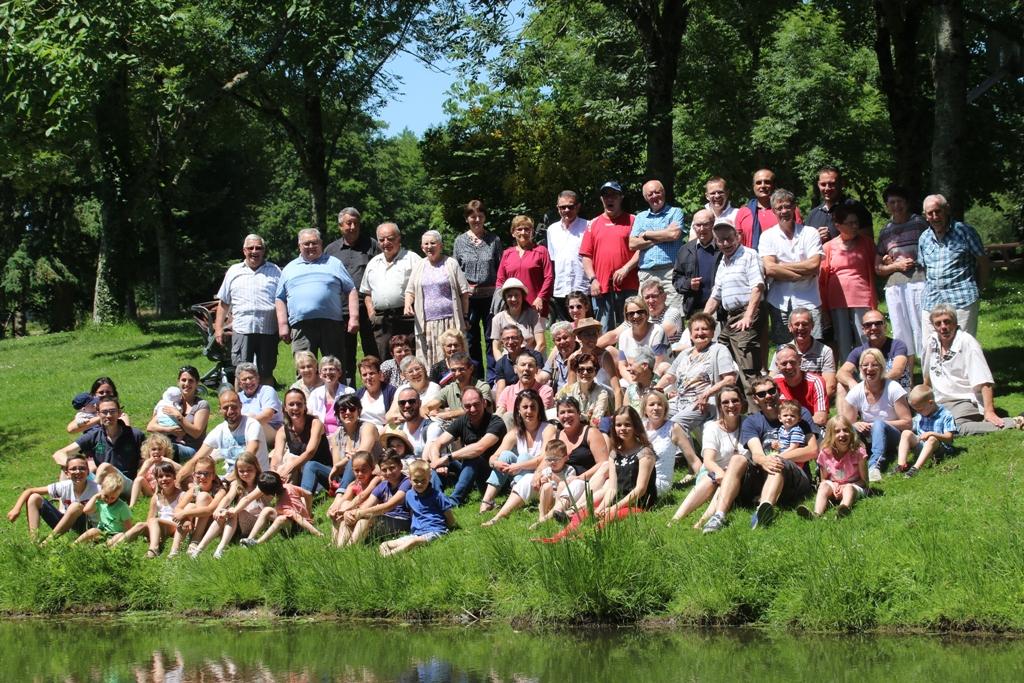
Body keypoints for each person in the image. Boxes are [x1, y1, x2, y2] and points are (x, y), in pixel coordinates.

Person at [700, 377, 818, 533]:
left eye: (771, 391)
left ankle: (762, 511)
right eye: (762, 394)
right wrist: (764, 460)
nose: (768, 396)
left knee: (776, 462)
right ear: (755, 399)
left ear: (778, 392)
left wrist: (778, 458)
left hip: (796, 480)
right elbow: (757, 454)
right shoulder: (752, 422)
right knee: (737, 459)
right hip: (763, 478)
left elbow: (812, 450)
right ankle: (719, 515)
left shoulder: (798, 412)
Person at [537, 407, 657, 542]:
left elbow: (640, 490)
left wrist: (614, 508)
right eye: (618, 425)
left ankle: (580, 538)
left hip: (638, 505)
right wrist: (600, 509)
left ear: (636, 426)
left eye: (627, 424)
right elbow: (612, 489)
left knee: (608, 518)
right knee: (583, 513)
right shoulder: (614, 454)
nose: (622, 428)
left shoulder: (645, 453)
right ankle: (557, 538)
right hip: (617, 501)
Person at [921, 304, 1018, 435]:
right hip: (939, 401)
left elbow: (985, 381)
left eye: (947, 322)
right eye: (938, 323)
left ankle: (1013, 422)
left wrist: (989, 411)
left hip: (965, 400)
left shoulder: (967, 343)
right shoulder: (932, 342)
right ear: (933, 326)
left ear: (955, 323)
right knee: (921, 426)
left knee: (951, 428)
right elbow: (927, 377)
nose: (943, 327)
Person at [656, 312, 739, 464]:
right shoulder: (686, 353)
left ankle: (694, 464)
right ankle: (660, 462)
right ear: (691, 334)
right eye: (696, 330)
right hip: (680, 400)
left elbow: (730, 379)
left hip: (704, 403)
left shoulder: (718, 349)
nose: (700, 333)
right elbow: (670, 376)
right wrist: (655, 389)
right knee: (655, 414)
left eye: (705, 329)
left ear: (713, 332)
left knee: (676, 424)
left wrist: (708, 393)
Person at [275, 227, 358, 366]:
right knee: (304, 368)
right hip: (301, 326)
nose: (311, 246)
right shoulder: (289, 268)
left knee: (335, 367)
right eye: (306, 244)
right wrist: (283, 325)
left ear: (321, 244)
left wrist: (354, 318)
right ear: (299, 246)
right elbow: (280, 298)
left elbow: (351, 290)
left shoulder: (334, 263)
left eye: (314, 243)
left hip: (331, 324)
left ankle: (338, 389)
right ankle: (305, 389)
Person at [668, 385, 746, 526]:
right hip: (713, 471)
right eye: (725, 402)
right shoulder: (712, 427)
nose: (731, 405)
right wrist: (719, 472)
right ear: (719, 406)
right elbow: (708, 460)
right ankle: (675, 520)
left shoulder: (748, 424)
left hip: (737, 475)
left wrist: (726, 475)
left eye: (735, 401)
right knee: (711, 479)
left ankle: (701, 522)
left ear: (742, 402)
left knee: (726, 480)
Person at [703, 222, 765, 389]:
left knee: (748, 368)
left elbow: (757, 287)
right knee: (721, 357)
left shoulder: (749, 255)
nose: (725, 244)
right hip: (731, 318)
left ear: (737, 237)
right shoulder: (723, 262)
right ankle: (737, 404)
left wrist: (748, 316)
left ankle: (758, 411)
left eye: (728, 239)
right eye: (720, 240)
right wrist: (702, 319)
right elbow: (715, 295)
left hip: (747, 313)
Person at [480, 390, 557, 524]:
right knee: (506, 455)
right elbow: (493, 457)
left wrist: (519, 465)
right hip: (520, 475)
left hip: (539, 477)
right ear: (518, 410)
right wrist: (496, 463)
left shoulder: (548, 428)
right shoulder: (515, 432)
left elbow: (545, 457)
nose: (529, 411)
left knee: (523, 457)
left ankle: (516, 501)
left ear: (539, 409)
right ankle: (486, 501)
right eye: (525, 407)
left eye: (533, 407)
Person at [214, 233, 281, 384]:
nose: (254, 251)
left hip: (268, 330)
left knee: (266, 371)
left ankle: (267, 404)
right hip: (242, 329)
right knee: (242, 372)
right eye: (250, 248)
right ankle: (240, 406)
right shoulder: (233, 271)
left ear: (264, 250)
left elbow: (283, 301)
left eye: (259, 248)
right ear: (244, 250)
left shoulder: (275, 271)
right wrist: (218, 329)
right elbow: (224, 302)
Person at [918, 193, 989, 337]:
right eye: (930, 213)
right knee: (931, 347)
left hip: (962, 298)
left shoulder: (964, 231)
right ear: (925, 216)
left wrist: (979, 287)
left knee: (963, 346)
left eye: (938, 211)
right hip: (931, 300)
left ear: (947, 210)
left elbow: (983, 262)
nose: (935, 217)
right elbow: (924, 269)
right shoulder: (924, 238)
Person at [759, 188, 824, 344]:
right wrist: (800, 272)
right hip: (779, 300)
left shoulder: (810, 233)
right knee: (784, 348)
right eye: (779, 208)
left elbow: (814, 265)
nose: (784, 211)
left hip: (809, 299)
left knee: (813, 346)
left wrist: (782, 266)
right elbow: (769, 268)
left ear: (795, 207)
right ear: (773, 211)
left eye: (788, 206)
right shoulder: (767, 236)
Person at [425, 386, 507, 506]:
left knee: (472, 456)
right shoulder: (462, 421)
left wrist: (448, 458)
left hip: (494, 479)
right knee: (438, 458)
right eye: (468, 406)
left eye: (476, 404)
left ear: (484, 403)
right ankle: (435, 498)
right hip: (469, 471)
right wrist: (437, 462)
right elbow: (437, 444)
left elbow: (479, 448)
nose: (472, 409)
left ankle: (454, 500)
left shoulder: (496, 422)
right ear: (462, 406)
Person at [325, 207, 381, 382]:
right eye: (348, 223)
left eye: (356, 223)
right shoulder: (331, 250)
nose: (352, 227)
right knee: (344, 353)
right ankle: (347, 389)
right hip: (341, 309)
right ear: (340, 226)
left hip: (367, 307)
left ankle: (375, 385)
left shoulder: (372, 245)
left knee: (372, 351)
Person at [840, 347, 912, 482]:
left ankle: (874, 466)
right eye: (865, 365)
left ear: (882, 367)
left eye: (874, 365)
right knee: (844, 431)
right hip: (868, 438)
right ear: (860, 368)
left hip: (894, 437)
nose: (869, 369)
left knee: (879, 424)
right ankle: (836, 465)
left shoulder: (893, 388)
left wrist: (876, 425)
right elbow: (845, 424)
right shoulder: (856, 392)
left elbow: (907, 423)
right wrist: (855, 424)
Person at [404, 230, 471, 368]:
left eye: (433, 243)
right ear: (422, 247)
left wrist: (464, 316)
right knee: (431, 360)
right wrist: (407, 304)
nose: (429, 246)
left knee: (454, 355)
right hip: (427, 324)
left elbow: (464, 292)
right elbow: (410, 291)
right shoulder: (419, 266)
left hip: (450, 321)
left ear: (440, 245)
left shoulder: (451, 263)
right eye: (426, 244)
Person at [819, 204, 877, 362]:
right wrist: (824, 308)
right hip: (837, 301)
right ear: (838, 226)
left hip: (862, 298)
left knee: (864, 338)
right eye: (850, 223)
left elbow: (875, 269)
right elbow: (822, 280)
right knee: (842, 340)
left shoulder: (866, 243)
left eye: (856, 222)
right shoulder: (828, 247)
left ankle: (867, 372)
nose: (855, 226)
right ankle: (847, 377)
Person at [876, 184, 928, 357]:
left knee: (923, 328)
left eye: (900, 202)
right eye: (892, 202)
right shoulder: (886, 231)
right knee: (900, 333)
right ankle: (907, 379)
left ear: (907, 203)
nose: (896, 206)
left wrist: (916, 261)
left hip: (919, 281)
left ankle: (928, 378)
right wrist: (895, 266)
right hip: (895, 285)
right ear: (887, 205)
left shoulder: (919, 223)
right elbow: (879, 268)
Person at [53, 395, 144, 494]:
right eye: (104, 412)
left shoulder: (135, 435)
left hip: (125, 483)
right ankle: (63, 504)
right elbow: (59, 454)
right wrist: (74, 468)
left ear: (119, 413)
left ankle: (90, 497)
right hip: (102, 481)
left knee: (104, 466)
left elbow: (147, 460)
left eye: (112, 411)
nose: (108, 415)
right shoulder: (94, 435)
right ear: (98, 414)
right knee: (68, 465)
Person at [453, 200, 503, 374]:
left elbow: (500, 267)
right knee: (471, 338)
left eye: (480, 216)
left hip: (490, 297)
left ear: (484, 217)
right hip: (469, 299)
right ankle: (475, 374)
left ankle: (493, 375)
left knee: (492, 337)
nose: (476, 220)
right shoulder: (460, 241)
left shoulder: (493, 240)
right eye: (472, 216)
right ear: (467, 219)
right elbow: (456, 270)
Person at [580, 181, 639, 329]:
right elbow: (586, 256)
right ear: (601, 199)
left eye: (614, 195)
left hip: (629, 284)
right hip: (602, 287)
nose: (609, 199)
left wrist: (626, 268)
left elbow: (641, 249)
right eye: (606, 195)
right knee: (604, 329)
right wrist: (593, 279)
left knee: (632, 327)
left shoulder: (633, 220)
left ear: (621, 197)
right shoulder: (593, 224)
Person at [360, 221, 418, 362]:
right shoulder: (373, 263)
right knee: (385, 360)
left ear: (399, 238)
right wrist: (371, 314)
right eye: (382, 239)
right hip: (382, 321)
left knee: (410, 358)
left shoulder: (412, 259)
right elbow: (367, 293)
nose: (386, 243)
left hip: (407, 318)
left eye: (390, 239)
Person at [7, 453, 97, 540]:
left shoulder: (97, 488)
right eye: (73, 469)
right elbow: (29, 491)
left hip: (86, 527)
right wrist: (16, 508)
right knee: (34, 497)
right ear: (67, 473)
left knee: (76, 506)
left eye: (82, 468)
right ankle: (34, 541)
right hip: (64, 524)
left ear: (88, 471)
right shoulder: (64, 486)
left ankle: (49, 541)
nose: (78, 471)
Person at [835, 310, 911, 414]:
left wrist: (873, 384)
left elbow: (897, 370)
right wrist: (852, 384)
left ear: (885, 326)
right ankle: (843, 425)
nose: (873, 328)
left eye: (878, 323)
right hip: (870, 394)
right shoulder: (859, 351)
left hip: (895, 394)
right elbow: (841, 373)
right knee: (841, 385)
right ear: (863, 329)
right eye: (868, 325)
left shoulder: (897, 345)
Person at [190, 452, 263, 558]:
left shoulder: (261, 483)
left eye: (249, 470)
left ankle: (221, 548)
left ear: (256, 468)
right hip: (238, 524)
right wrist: (219, 509)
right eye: (241, 471)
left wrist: (233, 510)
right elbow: (228, 498)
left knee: (232, 511)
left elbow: (247, 499)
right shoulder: (237, 484)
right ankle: (199, 549)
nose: (245, 474)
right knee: (227, 511)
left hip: (255, 522)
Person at [184, 388, 269, 477]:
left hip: (252, 479)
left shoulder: (252, 425)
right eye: (225, 408)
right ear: (220, 409)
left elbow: (249, 456)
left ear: (241, 405)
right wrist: (178, 481)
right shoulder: (219, 430)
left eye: (234, 407)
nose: (230, 411)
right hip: (230, 478)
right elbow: (197, 459)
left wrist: (226, 481)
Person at [379, 460, 456, 557]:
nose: (419, 484)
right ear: (410, 479)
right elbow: (412, 512)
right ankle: (391, 556)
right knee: (384, 545)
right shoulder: (409, 495)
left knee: (414, 542)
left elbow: (448, 514)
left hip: (435, 531)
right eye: (416, 480)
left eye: (423, 480)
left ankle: (390, 557)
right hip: (416, 533)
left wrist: (452, 526)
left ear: (429, 478)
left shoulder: (437, 496)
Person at [797, 415, 868, 519]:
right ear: (830, 435)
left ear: (851, 432)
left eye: (845, 430)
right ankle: (816, 514)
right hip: (835, 486)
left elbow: (864, 481)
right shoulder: (825, 453)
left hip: (855, 486)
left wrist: (845, 486)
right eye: (837, 431)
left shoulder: (858, 452)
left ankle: (843, 510)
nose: (842, 434)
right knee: (824, 486)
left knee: (848, 488)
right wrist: (834, 486)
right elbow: (824, 479)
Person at [335, 450, 412, 546]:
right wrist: (349, 514)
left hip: (401, 520)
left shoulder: (406, 482)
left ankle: (351, 547)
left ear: (400, 466)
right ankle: (339, 548)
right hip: (384, 519)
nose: (388, 472)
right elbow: (366, 505)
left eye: (392, 468)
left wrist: (359, 513)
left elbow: (388, 506)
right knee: (349, 518)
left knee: (365, 518)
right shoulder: (383, 485)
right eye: (384, 470)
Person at [630, 179, 685, 309]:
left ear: (663, 193)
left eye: (657, 192)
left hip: (670, 271)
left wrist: (646, 234)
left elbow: (674, 235)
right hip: (646, 272)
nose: (654, 196)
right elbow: (632, 244)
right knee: (647, 312)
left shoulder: (675, 212)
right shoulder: (640, 217)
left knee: (674, 312)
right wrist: (663, 235)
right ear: (645, 198)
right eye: (650, 194)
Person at [109, 462, 182, 558]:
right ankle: (113, 547)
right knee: (140, 524)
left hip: (174, 526)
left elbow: (182, 519)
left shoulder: (181, 495)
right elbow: (149, 519)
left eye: (168, 475)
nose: (164, 479)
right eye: (160, 477)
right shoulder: (156, 497)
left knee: (153, 520)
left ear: (174, 477)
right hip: (159, 526)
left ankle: (154, 549)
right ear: (156, 480)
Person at [270, 388, 332, 493]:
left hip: (319, 471)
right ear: (285, 407)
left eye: (299, 404)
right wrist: (274, 471)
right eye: (291, 404)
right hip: (297, 470)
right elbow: (277, 455)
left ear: (305, 406)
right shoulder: (282, 431)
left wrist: (288, 468)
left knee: (291, 460)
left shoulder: (315, 424)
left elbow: (310, 452)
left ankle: (289, 498)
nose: (295, 408)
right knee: (283, 461)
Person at [145, 365, 211, 462]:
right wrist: (170, 430)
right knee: (149, 446)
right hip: (168, 443)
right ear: (178, 382)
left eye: (191, 381)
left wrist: (179, 416)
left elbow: (196, 433)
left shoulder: (201, 405)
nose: (186, 384)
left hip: (192, 449)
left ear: (197, 383)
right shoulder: (171, 402)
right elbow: (150, 426)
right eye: (183, 380)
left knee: (164, 449)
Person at [238, 471, 322, 546]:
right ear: (280, 481)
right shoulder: (289, 486)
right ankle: (250, 538)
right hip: (299, 520)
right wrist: (308, 512)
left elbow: (298, 518)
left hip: (299, 528)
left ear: (267, 494)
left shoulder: (281, 506)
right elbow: (309, 494)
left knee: (280, 519)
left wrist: (316, 532)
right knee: (267, 510)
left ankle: (258, 542)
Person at [767, 307, 837, 398]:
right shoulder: (782, 352)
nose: (801, 328)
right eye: (796, 324)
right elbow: (771, 381)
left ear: (812, 326)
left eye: (805, 324)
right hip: (787, 402)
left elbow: (830, 386)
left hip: (814, 400)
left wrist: (816, 404)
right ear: (790, 327)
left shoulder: (825, 351)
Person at [495, 215, 554, 320]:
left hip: (535, 304)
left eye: (527, 229)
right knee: (513, 336)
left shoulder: (541, 251)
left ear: (532, 232)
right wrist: (503, 300)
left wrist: (540, 298)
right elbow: (500, 280)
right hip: (512, 305)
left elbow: (549, 277)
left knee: (536, 336)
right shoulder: (507, 253)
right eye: (519, 229)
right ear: (513, 233)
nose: (523, 232)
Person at [552, 396, 610, 501]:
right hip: (560, 483)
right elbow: (545, 459)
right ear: (557, 416)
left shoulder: (591, 433)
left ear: (579, 414)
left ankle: (554, 512)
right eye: (562, 412)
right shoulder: (556, 436)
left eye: (570, 411)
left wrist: (580, 477)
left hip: (586, 483)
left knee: (574, 485)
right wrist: (538, 475)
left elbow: (603, 463)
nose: (566, 416)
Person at [171, 453, 228, 557]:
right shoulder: (194, 489)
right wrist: (186, 519)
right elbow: (178, 508)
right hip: (194, 524)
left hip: (212, 525)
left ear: (214, 476)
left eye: (207, 473)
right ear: (193, 475)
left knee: (203, 497)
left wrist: (184, 513)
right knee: (190, 506)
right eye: (199, 473)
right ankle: (174, 551)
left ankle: (195, 541)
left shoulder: (220, 490)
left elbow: (210, 510)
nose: (202, 477)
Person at [643, 389, 698, 494]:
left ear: (665, 408)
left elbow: (693, 459)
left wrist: (706, 478)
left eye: (660, 404)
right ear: (645, 409)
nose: (656, 408)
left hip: (659, 482)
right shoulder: (640, 428)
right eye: (651, 404)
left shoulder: (673, 428)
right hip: (639, 477)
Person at [546, 190, 589, 322]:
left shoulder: (588, 226)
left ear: (578, 206)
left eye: (570, 206)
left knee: (587, 329)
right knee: (567, 330)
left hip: (583, 287)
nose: (566, 210)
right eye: (562, 207)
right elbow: (553, 260)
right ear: (557, 207)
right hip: (561, 289)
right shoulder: (552, 230)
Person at [897, 385, 958, 477]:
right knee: (906, 433)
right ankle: (902, 465)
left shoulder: (946, 415)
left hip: (940, 448)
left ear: (930, 403)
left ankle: (915, 468)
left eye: (920, 409)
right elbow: (911, 428)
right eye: (916, 410)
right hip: (922, 446)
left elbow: (949, 438)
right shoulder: (921, 414)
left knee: (932, 439)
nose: (918, 412)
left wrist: (932, 434)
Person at [735, 168, 802, 249]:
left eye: (767, 182)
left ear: (774, 185)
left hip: (783, 259)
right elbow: (737, 242)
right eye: (758, 183)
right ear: (753, 187)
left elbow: (800, 236)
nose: (762, 186)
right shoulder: (743, 211)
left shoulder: (789, 210)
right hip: (751, 260)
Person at [803, 165, 873, 243]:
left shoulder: (856, 209)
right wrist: (816, 238)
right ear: (818, 185)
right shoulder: (812, 215)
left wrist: (835, 240)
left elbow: (868, 244)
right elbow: (804, 246)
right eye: (823, 184)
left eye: (832, 184)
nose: (827, 188)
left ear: (841, 184)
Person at [672, 208, 719, 319]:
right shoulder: (685, 250)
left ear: (713, 224)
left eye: (705, 224)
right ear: (693, 227)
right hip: (695, 309)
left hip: (719, 310)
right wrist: (688, 284)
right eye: (698, 225)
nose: (701, 229)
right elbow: (676, 279)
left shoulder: (723, 247)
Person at [329, 394, 382, 491]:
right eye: (343, 410)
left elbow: (362, 454)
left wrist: (341, 463)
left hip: (369, 472)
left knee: (355, 459)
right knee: (312, 466)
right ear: (338, 414)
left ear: (359, 411)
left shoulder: (367, 427)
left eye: (352, 409)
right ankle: (303, 498)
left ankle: (340, 494)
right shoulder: (336, 436)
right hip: (347, 475)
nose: (348, 412)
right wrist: (338, 465)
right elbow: (338, 468)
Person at [326, 452, 381, 544]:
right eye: (356, 470)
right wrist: (335, 510)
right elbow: (343, 500)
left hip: (369, 514)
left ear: (372, 468)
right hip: (354, 514)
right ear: (352, 470)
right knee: (343, 505)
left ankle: (348, 545)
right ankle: (335, 543)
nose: (360, 473)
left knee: (346, 509)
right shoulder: (353, 485)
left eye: (364, 470)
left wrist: (345, 510)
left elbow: (362, 496)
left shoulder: (376, 480)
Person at [421, 352, 492, 423]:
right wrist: (428, 417)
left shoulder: (482, 387)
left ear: (471, 369)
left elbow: (480, 406)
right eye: (453, 370)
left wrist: (448, 414)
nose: (457, 373)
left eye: (461, 369)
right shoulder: (449, 389)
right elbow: (426, 407)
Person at [773, 344, 828, 428]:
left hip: (811, 429)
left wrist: (792, 427)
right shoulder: (774, 383)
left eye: (792, 362)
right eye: (784, 363)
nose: (789, 367)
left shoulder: (815, 381)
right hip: (783, 430)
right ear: (777, 366)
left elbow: (820, 419)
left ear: (800, 361)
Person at [490, 278, 546, 358]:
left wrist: (528, 361)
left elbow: (541, 343)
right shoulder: (497, 319)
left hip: (530, 359)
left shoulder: (533, 315)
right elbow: (496, 348)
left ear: (522, 297)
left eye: (517, 295)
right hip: (508, 362)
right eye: (509, 296)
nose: (513, 299)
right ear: (505, 298)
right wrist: (502, 364)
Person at [556, 352, 614, 427]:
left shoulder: (602, 394)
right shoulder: (568, 389)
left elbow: (595, 423)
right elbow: (557, 403)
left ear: (595, 372)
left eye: (590, 370)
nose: (585, 373)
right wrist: (586, 417)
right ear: (576, 372)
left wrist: (575, 416)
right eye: (581, 369)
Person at [489, 325, 545, 398]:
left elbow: (539, 380)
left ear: (521, 339)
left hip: (534, 395)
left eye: (514, 338)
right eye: (506, 339)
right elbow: (500, 390)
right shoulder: (501, 363)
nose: (510, 342)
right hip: (511, 397)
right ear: (502, 342)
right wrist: (500, 407)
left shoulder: (534, 356)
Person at [75, 473, 132, 545]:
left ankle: (106, 547)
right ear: (101, 489)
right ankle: (75, 544)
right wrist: (95, 496)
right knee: (93, 531)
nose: (108, 500)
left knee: (120, 536)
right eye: (106, 496)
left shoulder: (122, 507)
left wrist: (126, 537)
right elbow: (86, 510)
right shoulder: (100, 501)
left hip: (115, 534)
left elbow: (128, 526)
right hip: (102, 532)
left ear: (118, 494)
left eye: (113, 498)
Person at [495, 349, 555, 417]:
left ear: (536, 370)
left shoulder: (545, 391)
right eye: (523, 365)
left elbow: (541, 416)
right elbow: (498, 416)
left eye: (530, 365)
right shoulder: (508, 391)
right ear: (515, 369)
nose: (526, 369)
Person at [235, 362, 284, 444]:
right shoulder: (238, 397)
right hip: (246, 432)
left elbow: (267, 415)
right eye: (244, 379)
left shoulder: (267, 391)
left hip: (273, 431)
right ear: (240, 384)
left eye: (251, 378)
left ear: (258, 378)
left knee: (248, 416)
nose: (248, 382)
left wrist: (241, 427)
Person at [307, 355, 355, 440]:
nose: (328, 372)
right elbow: (309, 417)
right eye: (324, 370)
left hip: (344, 436)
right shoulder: (315, 394)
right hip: (320, 437)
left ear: (339, 373)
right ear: (320, 374)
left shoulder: (349, 392)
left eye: (332, 369)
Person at [128, 434, 181, 508]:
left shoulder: (166, 462)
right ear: (148, 451)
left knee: (161, 477)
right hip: (150, 490)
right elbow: (138, 478)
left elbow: (181, 470)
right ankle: (132, 505)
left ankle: (165, 498)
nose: (157, 452)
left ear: (165, 451)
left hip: (164, 489)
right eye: (153, 449)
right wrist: (147, 466)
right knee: (139, 479)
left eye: (160, 449)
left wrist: (170, 461)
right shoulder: (147, 462)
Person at [354, 356, 395, 428]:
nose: (368, 377)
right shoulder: (358, 395)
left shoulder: (391, 392)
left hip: (383, 433)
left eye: (371, 373)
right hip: (361, 433)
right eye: (364, 375)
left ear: (379, 374)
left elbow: (394, 419)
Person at [543, 321, 578, 393]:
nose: (562, 342)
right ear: (554, 342)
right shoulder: (555, 358)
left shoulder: (582, 356)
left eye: (565, 338)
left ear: (574, 336)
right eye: (558, 339)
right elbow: (542, 377)